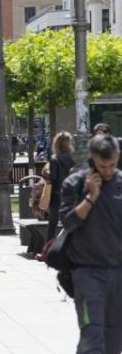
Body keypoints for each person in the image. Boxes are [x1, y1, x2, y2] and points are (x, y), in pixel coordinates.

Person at [59, 135, 122, 354]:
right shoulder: (74, 184)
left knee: (114, 340)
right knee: (92, 339)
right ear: (93, 159)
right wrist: (90, 197)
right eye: (102, 165)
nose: (107, 171)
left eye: (113, 165)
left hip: (118, 273)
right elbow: (68, 223)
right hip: (87, 274)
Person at [45, 132, 75, 242]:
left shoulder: (54, 158)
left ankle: (48, 247)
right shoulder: (73, 158)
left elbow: (54, 177)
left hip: (57, 194)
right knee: (69, 222)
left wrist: (46, 173)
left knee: (52, 224)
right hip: (70, 193)